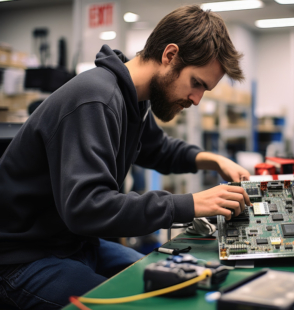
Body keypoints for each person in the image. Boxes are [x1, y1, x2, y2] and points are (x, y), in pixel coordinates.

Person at [0, 5, 251, 309]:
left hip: (75, 245)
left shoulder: (134, 97)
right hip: (26, 258)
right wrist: (190, 204)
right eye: (196, 83)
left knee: (181, 284)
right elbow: (87, 207)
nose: (197, 100)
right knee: (141, 305)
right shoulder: (96, 99)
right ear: (169, 56)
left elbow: (157, 148)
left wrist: (213, 160)